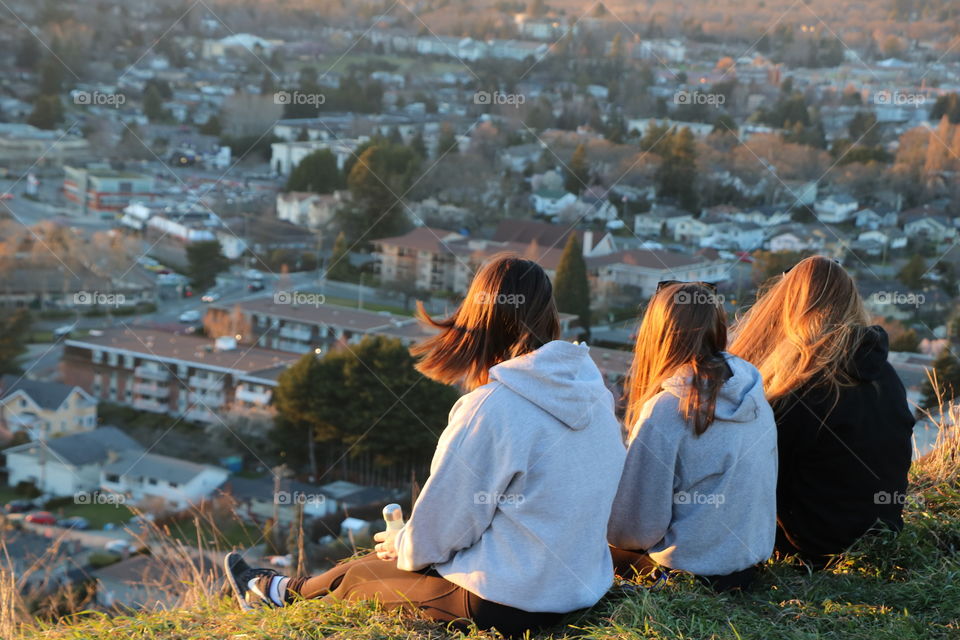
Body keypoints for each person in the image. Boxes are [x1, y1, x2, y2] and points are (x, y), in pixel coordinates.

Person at [225, 254, 626, 637]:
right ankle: (275, 588)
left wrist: (405, 542)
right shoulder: (594, 395)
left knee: (362, 575)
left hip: (507, 604)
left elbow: (443, 530)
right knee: (372, 562)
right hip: (580, 591)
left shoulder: (492, 408)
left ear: (478, 319)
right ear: (549, 315)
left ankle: (270, 592)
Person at [729, 256, 915, 567]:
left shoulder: (804, 387)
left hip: (813, 546)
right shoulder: (886, 375)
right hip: (882, 533)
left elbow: (756, 483)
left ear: (791, 306)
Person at [607, 281, 777, 592]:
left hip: (688, 574)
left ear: (658, 334)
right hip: (748, 567)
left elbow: (632, 530)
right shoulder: (754, 394)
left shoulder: (667, 408)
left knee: (591, 548)